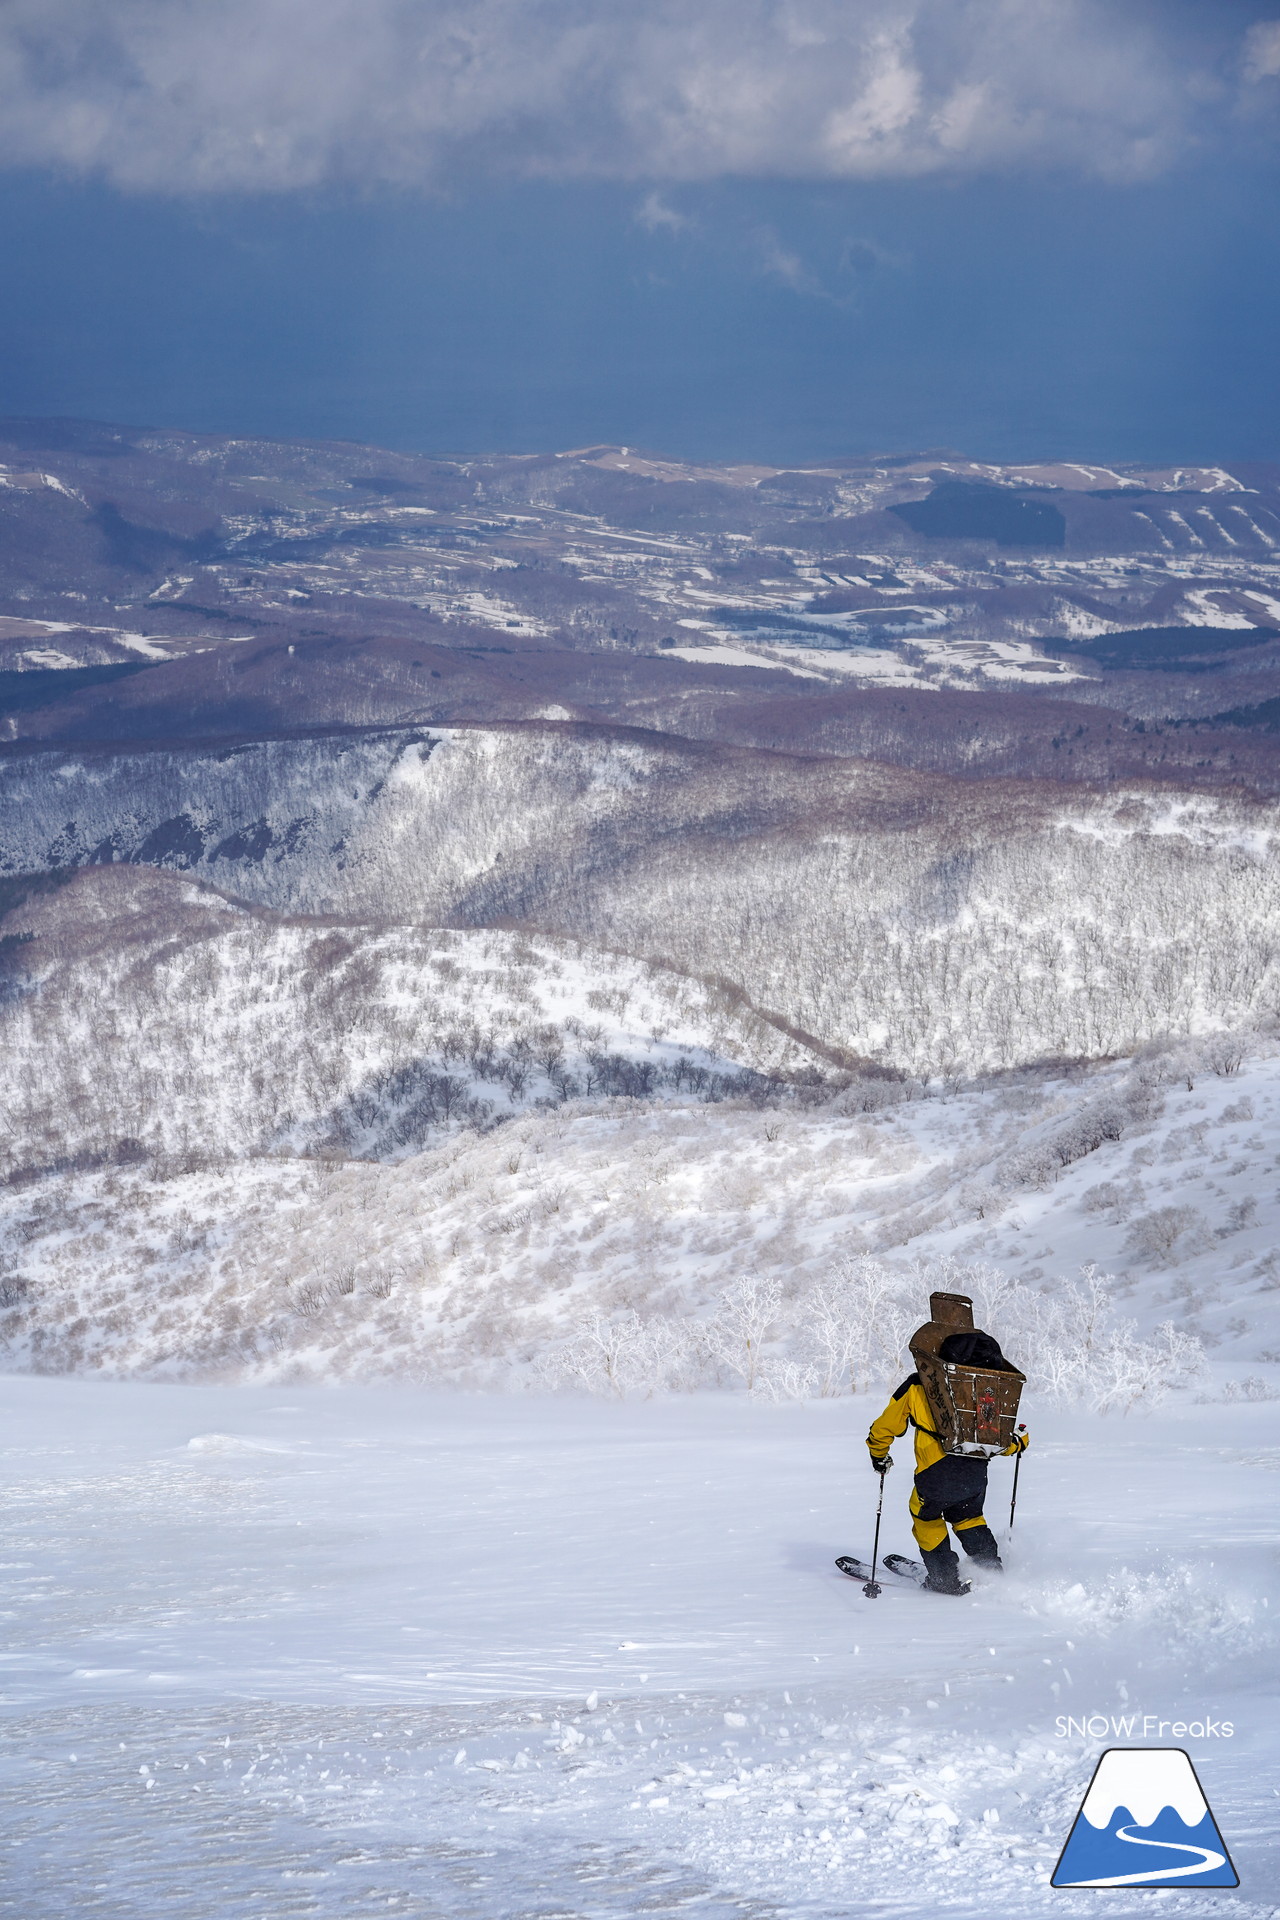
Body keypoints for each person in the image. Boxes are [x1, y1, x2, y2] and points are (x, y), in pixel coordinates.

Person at [866, 1332, 1029, 1595]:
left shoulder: (918, 1386)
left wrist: (878, 1453)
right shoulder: (991, 1391)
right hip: (975, 1474)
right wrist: (1019, 1443)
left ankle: (944, 1579)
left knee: (925, 1516)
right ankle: (990, 1572)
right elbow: (1002, 1441)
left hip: (936, 1473)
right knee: (968, 1516)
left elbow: (886, 1427)